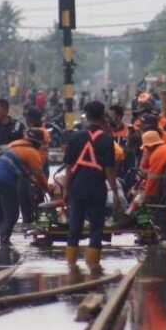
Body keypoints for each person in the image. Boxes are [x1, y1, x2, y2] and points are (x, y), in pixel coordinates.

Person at [63, 101, 120, 271]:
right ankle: (94, 270)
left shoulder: (74, 137)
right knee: (96, 230)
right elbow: (109, 170)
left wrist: (66, 190)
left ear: (86, 116)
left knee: (74, 229)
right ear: (103, 116)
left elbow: (68, 168)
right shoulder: (107, 140)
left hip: (77, 189)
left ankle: (71, 269)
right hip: (97, 189)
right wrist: (116, 194)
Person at [0, 129, 49, 246]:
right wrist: (47, 188)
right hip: (5, 179)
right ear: (38, 143)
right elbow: (39, 175)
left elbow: (23, 172)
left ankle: (3, 237)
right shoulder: (32, 152)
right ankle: (4, 239)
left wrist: (33, 181)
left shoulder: (13, 146)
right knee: (12, 213)